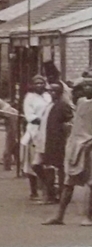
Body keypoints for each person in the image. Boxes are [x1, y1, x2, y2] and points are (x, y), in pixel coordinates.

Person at [43, 80, 92, 225]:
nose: (78, 92)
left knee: (90, 183)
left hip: (89, 146)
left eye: (87, 87)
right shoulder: (80, 103)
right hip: (76, 147)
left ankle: (88, 217)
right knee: (68, 183)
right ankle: (59, 216)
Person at [35, 84, 73, 205]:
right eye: (49, 91)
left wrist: (64, 135)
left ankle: (57, 194)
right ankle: (52, 191)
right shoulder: (49, 105)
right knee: (37, 165)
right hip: (44, 140)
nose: (50, 93)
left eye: (53, 91)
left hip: (56, 142)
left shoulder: (63, 105)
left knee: (56, 167)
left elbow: (70, 122)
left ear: (58, 92)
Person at [23, 76, 51, 201]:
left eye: (42, 83)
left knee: (46, 162)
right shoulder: (29, 97)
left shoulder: (48, 96)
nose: (39, 85)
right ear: (32, 85)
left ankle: (48, 189)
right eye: (37, 83)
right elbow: (30, 116)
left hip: (48, 132)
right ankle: (33, 191)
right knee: (32, 163)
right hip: (34, 131)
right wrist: (44, 121)